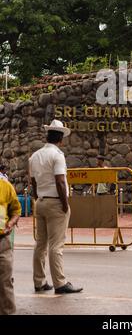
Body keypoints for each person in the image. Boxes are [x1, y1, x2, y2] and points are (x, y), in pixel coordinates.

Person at [29, 119, 83, 294]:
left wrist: (38, 198)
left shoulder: (34, 157)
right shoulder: (57, 155)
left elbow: (33, 183)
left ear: (47, 136)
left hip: (41, 202)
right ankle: (60, 283)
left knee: (40, 244)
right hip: (55, 202)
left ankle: (39, 281)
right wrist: (65, 204)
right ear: (60, 138)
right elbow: (60, 181)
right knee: (56, 245)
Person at [0, 179, 21, 315]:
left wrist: (12, 222)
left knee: (5, 282)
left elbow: (16, 210)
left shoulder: (6, 187)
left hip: (3, 242)